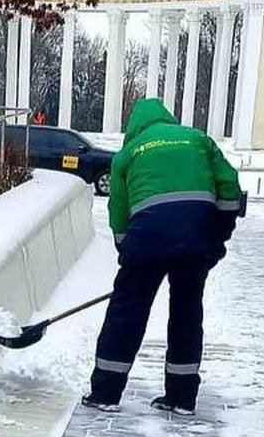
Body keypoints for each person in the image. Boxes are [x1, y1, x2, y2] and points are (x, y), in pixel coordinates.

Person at [82, 98, 241, 417]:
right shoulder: (198, 139)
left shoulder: (128, 154)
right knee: (186, 313)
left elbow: (119, 214)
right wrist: (216, 238)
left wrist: (128, 259)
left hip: (147, 238)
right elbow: (230, 189)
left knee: (126, 314)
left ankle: (105, 394)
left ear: (134, 127)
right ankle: (182, 398)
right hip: (196, 237)